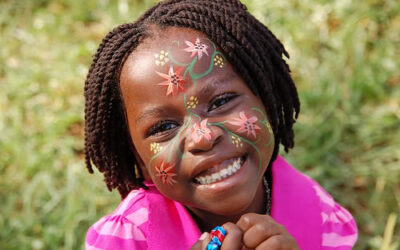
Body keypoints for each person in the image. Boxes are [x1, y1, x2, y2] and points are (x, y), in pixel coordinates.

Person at [83, 0, 358, 249]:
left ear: (266, 101)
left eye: (221, 102)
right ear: (139, 158)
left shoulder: (319, 219)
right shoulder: (129, 238)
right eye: (163, 127)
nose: (202, 137)